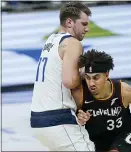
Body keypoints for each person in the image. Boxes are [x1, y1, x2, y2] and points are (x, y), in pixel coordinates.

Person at [30, 2, 95, 151]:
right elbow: (69, 81)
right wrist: (85, 73)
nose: (87, 28)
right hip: (58, 119)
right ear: (69, 22)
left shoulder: (50, 40)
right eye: (83, 24)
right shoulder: (72, 43)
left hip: (38, 120)